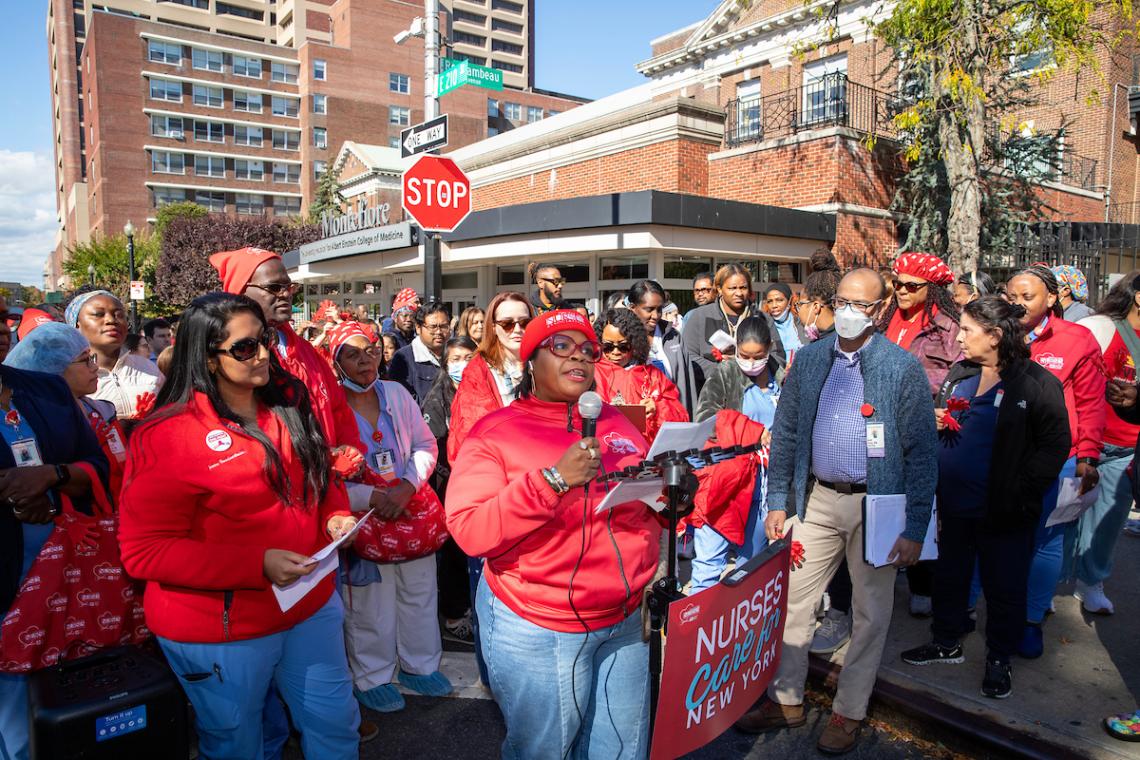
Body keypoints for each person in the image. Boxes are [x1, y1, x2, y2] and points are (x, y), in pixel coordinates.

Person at [117, 293, 362, 760]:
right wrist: (257, 564)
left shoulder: (289, 402)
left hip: (308, 604)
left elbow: (319, 474)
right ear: (208, 359)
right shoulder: (166, 435)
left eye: (264, 340)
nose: (265, 354)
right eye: (246, 348)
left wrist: (334, 514)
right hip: (220, 630)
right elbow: (143, 551)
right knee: (236, 745)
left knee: (336, 725)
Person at [736, 269, 937, 755]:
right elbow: (785, 436)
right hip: (817, 500)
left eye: (862, 306)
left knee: (870, 615)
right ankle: (786, 700)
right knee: (793, 604)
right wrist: (779, 501)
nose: (849, 312)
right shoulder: (808, 360)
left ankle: (849, 712)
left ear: (882, 308)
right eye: (843, 301)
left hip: (878, 507)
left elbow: (923, 454)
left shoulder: (900, 367)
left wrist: (914, 525)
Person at [446, 309, 661, 759]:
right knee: (543, 751)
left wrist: (672, 497)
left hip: (624, 621)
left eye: (587, 349)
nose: (577, 356)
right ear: (530, 362)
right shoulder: (495, 433)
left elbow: (642, 507)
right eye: (560, 346)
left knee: (621, 751)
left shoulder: (617, 423)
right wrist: (553, 481)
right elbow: (470, 530)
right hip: (538, 627)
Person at [902, 297, 1069, 699]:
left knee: (1004, 587)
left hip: (1005, 512)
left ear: (994, 336)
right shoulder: (960, 373)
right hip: (954, 506)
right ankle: (946, 640)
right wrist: (936, 418)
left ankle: (999, 659)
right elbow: (943, 419)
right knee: (950, 577)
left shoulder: (1036, 383)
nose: (958, 337)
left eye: (967, 330)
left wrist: (1020, 492)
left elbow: (1055, 445)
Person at [0, 296, 110, 760]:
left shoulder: (45, 390)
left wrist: (52, 477)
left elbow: (96, 465)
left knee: (55, 701)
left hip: (57, 580)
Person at [326, 321, 452, 714]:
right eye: (353, 353)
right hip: (363, 517)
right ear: (336, 362)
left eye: (372, 350)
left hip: (408, 508)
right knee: (370, 604)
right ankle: (373, 676)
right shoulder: (328, 406)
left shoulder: (396, 393)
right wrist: (368, 496)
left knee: (420, 592)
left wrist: (408, 485)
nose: (365, 360)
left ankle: (420, 665)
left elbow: (424, 443)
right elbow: (321, 473)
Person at [1004, 266, 1105, 656]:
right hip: (1003, 456)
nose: (1018, 304)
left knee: (1047, 540)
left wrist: (1087, 456)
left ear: (1051, 298)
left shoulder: (1076, 340)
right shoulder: (998, 332)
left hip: (1057, 459)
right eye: (1012, 296)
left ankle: (1031, 621)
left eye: (1027, 297)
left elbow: (1092, 402)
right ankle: (977, 610)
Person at [209, 246, 363, 458]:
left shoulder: (306, 350)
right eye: (274, 287)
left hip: (327, 483)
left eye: (289, 286)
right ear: (241, 292)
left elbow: (339, 410)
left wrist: (349, 451)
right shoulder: (230, 358)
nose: (286, 294)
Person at [880, 253, 961, 617]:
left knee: (922, 503)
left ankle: (922, 584)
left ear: (933, 289)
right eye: (897, 283)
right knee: (885, 499)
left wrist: (944, 411)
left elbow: (962, 381)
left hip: (925, 427)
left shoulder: (949, 328)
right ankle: (886, 563)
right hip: (881, 425)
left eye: (912, 286)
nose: (901, 291)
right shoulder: (884, 318)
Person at [690, 316, 784, 591]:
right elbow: (707, 420)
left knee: (752, 559)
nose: (752, 362)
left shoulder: (780, 375)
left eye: (759, 356)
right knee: (710, 557)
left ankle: (741, 621)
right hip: (727, 479)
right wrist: (752, 432)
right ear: (736, 349)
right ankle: (697, 619)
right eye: (745, 355)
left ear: (769, 350)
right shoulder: (726, 374)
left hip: (766, 483)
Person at [1067, 271, 1140, 614]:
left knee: (1108, 519)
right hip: (1085, 440)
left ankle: (1091, 581)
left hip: (1128, 448)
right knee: (1064, 514)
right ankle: (1049, 584)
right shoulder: (1099, 327)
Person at [5, 322, 128, 500]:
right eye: (85, 360)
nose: (95, 367)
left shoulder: (103, 413)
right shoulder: (41, 426)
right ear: (52, 368)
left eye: (92, 358)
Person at [420, 337, 480, 648]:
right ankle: (453, 616)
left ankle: (468, 608)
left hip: (478, 483)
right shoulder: (436, 398)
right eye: (456, 358)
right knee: (454, 554)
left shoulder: (480, 391)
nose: (463, 364)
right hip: (448, 485)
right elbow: (431, 446)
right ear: (445, 363)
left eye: (469, 356)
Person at [447, 292, 534, 463]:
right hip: (500, 465)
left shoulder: (545, 362)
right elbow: (469, 432)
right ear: (493, 327)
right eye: (507, 324)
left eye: (524, 322)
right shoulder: (479, 371)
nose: (517, 329)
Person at [593, 308, 688, 443]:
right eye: (607, 346)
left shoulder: (652, 375)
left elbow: (680, 416)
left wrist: (658, 409)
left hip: (647, 452)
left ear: (634, 344)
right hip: (606, 451)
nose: (615, 352)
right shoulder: (590, 373)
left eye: (623, 346)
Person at [66, 290, 163, 421]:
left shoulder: (149, 368)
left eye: (119, 315)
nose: (111, 320)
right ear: (77, 324)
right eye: (98, 314)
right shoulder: (70, 378)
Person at [684, 264, 781, 392]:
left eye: (743, 287)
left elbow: (778, 357)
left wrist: (749, 364)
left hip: (754, 393)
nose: (739, 293)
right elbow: (688, 355)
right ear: (719, 289)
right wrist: (725, 371)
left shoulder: (762, 319)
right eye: (732, 288)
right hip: (711, 393)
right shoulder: (700, 316)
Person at [625, 280, 698, 415]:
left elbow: (688, 386)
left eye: (659, 309)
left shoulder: (673, 337)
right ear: (632, 308)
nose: (656, 316)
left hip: (672, 419)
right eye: (649, 309)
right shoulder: (620, 341)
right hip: (637, 424)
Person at [388, 302, 452, 403]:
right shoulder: (404, 358)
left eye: (444, 326)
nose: (439, 332)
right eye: (433, 327)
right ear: (418, 328)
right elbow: (403, 400)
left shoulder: (455, 354)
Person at [796, 250, 843, 345]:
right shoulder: (847, 337)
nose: (798, 312)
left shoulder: (826, 347)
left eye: (800, 305)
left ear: (816, 307)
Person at [764, 283, 806, 356]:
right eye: (770, 301)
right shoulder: (764, 326)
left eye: (779, 300)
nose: (774, 305)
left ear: (790, 300)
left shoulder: (802, 323)